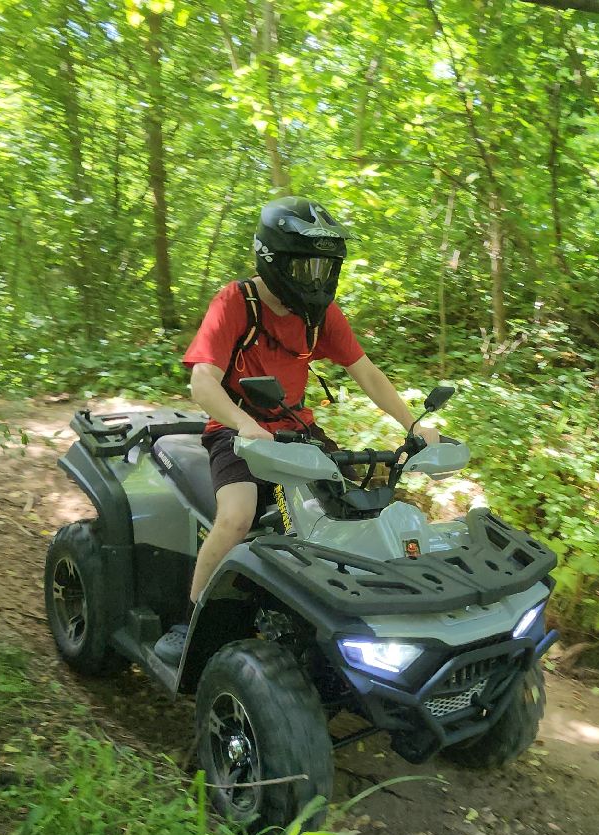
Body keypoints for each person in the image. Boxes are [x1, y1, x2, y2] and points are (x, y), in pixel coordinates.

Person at [153, 196, 438, 665]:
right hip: (236, 430)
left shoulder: (319, 315)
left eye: (325, 268)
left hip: (297, 431)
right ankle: (191, 621)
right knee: (237, 517)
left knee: (347, 516)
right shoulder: (235, 302)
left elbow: (366, 372)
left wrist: (414, 423)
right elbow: (202, 381)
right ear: (273, 260)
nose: (317, 279)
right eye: (306, 267)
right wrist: (244, 424)